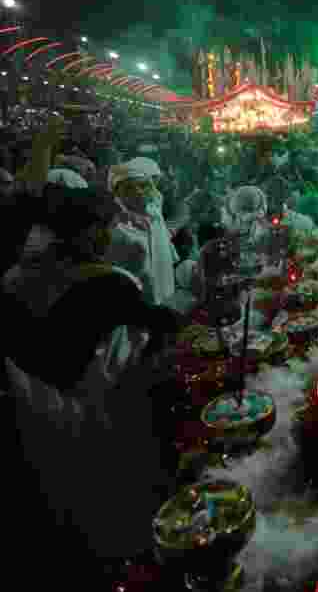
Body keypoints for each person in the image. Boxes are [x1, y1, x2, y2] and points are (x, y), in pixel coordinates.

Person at [3, 186, 180, 584]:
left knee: (64, 500)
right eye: (102, 227)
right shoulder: (109, 284)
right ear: (80, 232)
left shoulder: (13, 279)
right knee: (114, 497)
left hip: (33, 415)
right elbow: (152, 335)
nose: (108, 236)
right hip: (96, 413)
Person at [106, 157, 179, 306]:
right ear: (117, 193)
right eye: (129, 188)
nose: (138, 191)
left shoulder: (156, 216)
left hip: (165, 301)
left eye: (143, 185)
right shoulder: (115, 226)